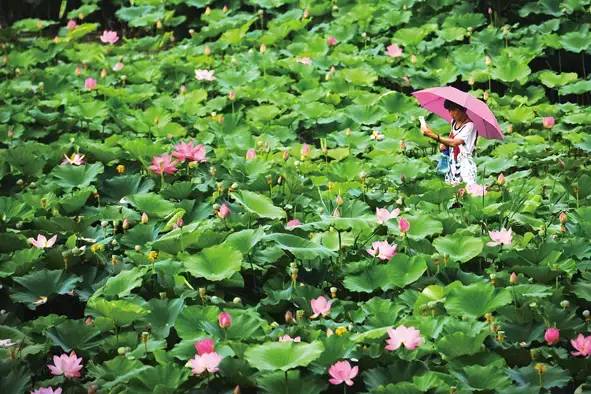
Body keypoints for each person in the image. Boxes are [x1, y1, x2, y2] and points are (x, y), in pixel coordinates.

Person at [420, 99, 478, 185]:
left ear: (462, 110)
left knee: (466, 190)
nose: (451, 114)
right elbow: (451, 138)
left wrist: (431, 134)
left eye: (454, 110)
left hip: (464, 163)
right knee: (453, 190)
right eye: (449, 110)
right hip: (452, 162)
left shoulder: (470, 126)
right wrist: (444, 145)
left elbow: (455, 142)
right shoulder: (453, 122)